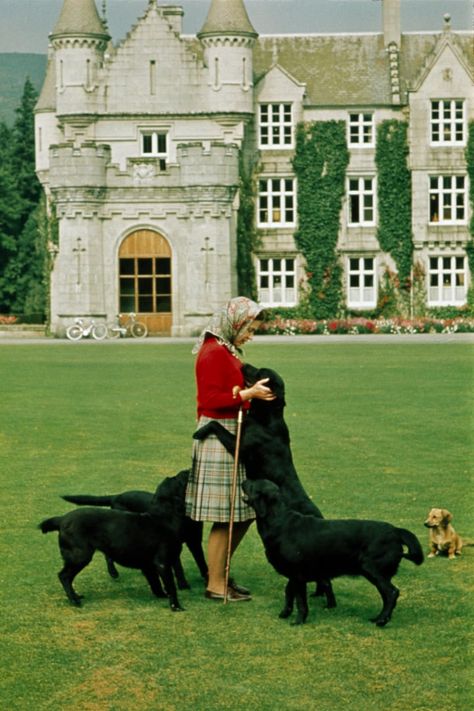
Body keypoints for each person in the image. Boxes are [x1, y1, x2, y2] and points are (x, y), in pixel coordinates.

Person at [185, 296, 275, 601]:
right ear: (234, 323)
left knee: (242, 511)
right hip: (218, 435)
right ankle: (215, 584)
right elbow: (210, 400)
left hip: (231, 433)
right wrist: (248, 393)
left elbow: (227, 390)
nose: (251, 334)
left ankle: (219, 575)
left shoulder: (224, 349)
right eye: (249, 328)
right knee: (227, 515)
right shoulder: (212, 352)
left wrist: (244, 393)